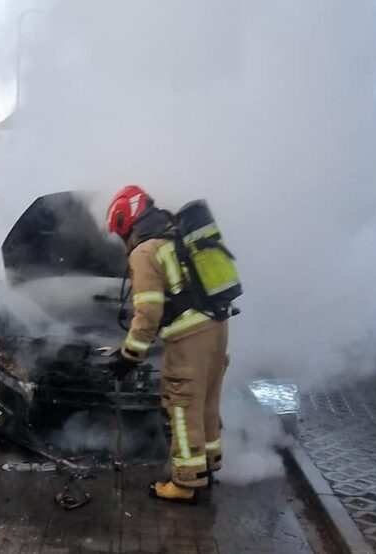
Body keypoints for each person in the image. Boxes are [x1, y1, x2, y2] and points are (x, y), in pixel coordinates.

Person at [106, 185, 231, 503]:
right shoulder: (175, 235)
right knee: (206, 401)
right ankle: (208, 467)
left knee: (182, 405)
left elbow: (148, 311)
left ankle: (186, 484)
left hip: (189, 336)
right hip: (216, 326)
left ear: (125, 221)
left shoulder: (145, 250)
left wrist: (129, 355)